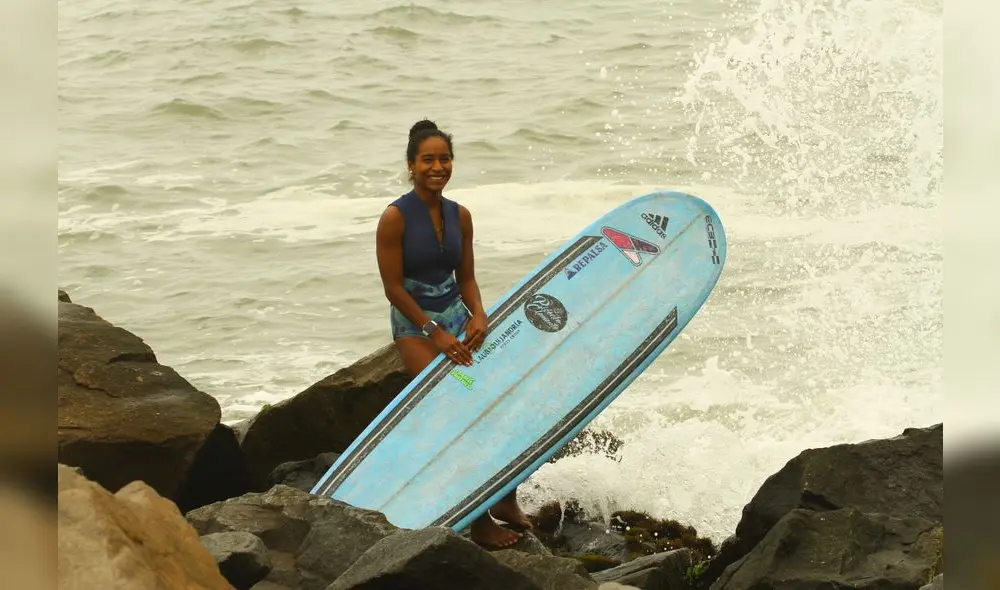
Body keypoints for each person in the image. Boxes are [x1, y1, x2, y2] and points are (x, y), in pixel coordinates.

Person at [375, 119, 531, 549]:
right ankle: (477, 518)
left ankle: (505, 497)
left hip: (459, 321)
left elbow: (467, 277)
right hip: (416, 330)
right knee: (455, 411)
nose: (437, 166)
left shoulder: (460, 215)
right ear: (411, 165)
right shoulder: (394, 218)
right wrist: (434, 333)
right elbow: (392, 288)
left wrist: (480, 313)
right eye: (428, 159)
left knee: (500, 399)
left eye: (444, 158)